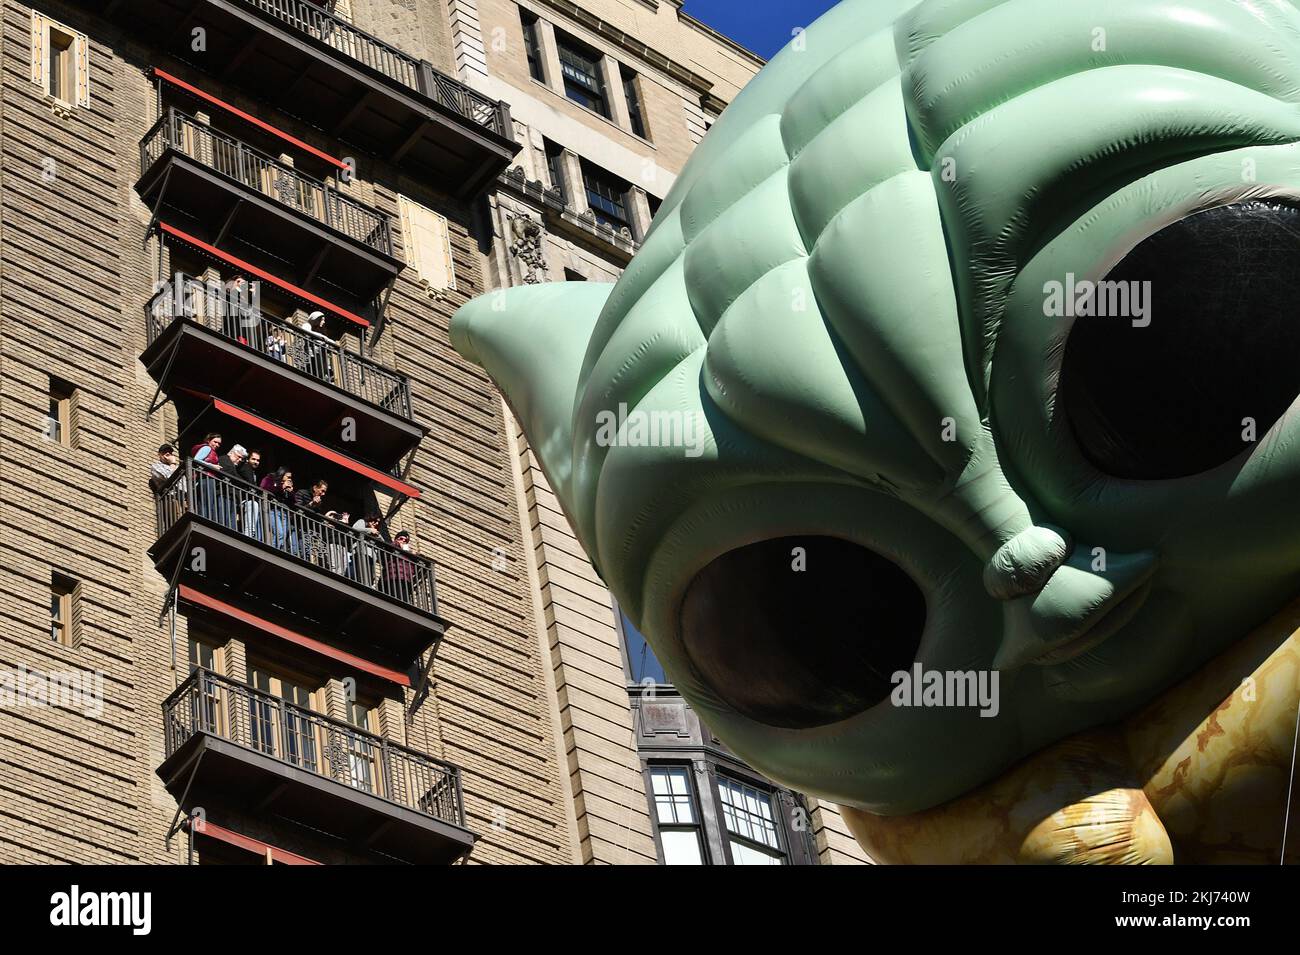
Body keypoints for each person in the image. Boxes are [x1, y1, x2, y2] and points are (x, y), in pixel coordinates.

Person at [293, 478, 329, 564]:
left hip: (311, 532)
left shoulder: (319, 502)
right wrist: (311, 504)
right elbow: (297, 509)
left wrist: (325, 522)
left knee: (309, 556)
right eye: (322, 491)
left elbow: (317, 517)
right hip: (299, 528)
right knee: (302, 553)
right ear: (315, 488)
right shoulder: (302, 493)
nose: (323, 494)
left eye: (324, 492)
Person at [191, 433, 223, 521]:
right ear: (208, 440)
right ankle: (204, 520)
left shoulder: (212, 451)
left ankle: (204, 519)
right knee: (206, 502)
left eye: (219, 443)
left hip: (207, 478)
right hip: (206, 478)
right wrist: (212, 466)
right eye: (215, 442)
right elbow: (196, 460)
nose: (217, 445)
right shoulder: (207, 448)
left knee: (206, 502)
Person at [384, 530, 420, 606]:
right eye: (401, 538)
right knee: (394, 595)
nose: (403, 541)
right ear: (396, 539)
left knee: (404, 599)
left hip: (406, 578)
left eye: (406, 540)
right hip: (394, 575)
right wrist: (398, 545)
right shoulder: (394, 544)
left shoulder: (408, 551)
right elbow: (389, 548)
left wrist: (414, 554)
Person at [235, 448, 262, 540]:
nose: (256, 462)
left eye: (258, 460)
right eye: (253, 459)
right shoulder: (246, 467)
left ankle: (251, 533)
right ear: (248, 459)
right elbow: (250, 484)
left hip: (246, 499)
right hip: (242, 499)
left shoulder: (253, 472)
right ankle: (249, 534)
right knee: (254, 504)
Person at [351, 512, 383, 587]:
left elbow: (383, 542)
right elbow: (355, 528)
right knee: (361, 571)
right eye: (375, 521)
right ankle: (362, 586)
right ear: (370, 519)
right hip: (361, 551)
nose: (376, 523)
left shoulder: (376, 531)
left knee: (370, 574)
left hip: (371, 556)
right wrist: (369, 530)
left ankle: (367, 585)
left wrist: (377, 536)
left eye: (378, 522)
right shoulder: (362, 522)